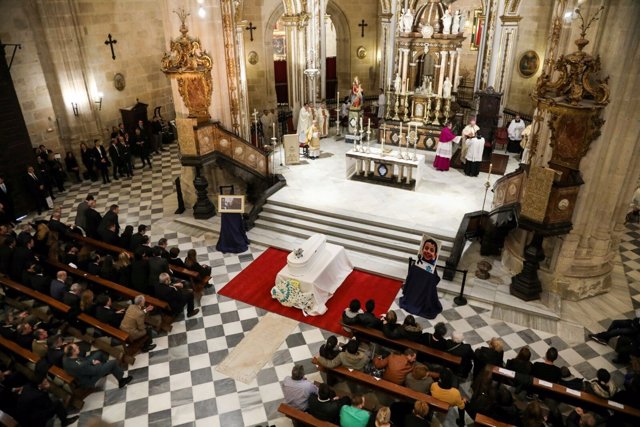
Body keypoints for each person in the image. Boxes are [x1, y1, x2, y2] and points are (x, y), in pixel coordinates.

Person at [14, 374, 79, 427]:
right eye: (45, 382)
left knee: (52, 400)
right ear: (39, 385)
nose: (47, 382)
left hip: (25, 417)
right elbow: (48, 406)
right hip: (35, 422)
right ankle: (65, 421)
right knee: (57, 404)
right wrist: (46, 390)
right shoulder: (39, 395)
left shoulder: (27, 386)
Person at [62, 343, 133, 388]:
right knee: (113, 363)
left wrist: (92, 362)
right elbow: (94, 371)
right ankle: (121, 380)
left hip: (85, 367)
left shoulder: (66, 357)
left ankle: (105, 369)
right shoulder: (79, 365)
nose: (78, 346)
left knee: (99, 353)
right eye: (76, 348)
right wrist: (97, 363)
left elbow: (82, 362)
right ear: (73, 352)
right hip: (88, 379)